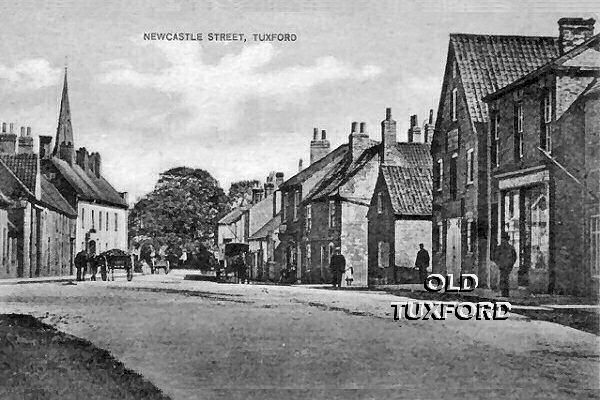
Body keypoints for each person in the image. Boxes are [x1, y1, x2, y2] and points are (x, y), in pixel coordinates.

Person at [492, 232, 517, 297]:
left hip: (507, 266)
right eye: (502, 239)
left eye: (504, 239)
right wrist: (498, 264)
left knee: (505, 279)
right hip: (502, 266)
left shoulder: (510, 248)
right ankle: (504, 293)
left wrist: (511, 264)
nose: (503, 241)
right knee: (503, 279)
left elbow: (514, 257)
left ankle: (505, 293)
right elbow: (495, 256)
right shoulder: (500, 248)